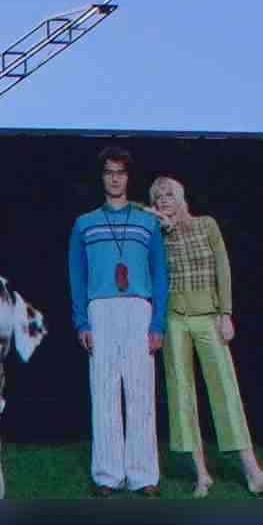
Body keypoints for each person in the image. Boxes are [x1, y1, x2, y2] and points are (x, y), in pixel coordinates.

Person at [148, 174, 263, 494]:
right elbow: (135, 211)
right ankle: (201, 475)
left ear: (183, 198)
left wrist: (226, 313)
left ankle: (254, 474)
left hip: (208, 316)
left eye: (169, 194)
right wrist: (156, 220)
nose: (164, 200)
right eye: (159, 197)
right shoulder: (156, 234)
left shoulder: (207, 225)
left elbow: (223, 269)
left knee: (225, 389)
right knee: (181, 394)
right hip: (174, 320)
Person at [67, 149, 168, 492]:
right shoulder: (85, 223)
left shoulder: (147, 222)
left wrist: (157, 325)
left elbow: (160, 275)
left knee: (141, 391)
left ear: (128, 177)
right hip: (102, 309)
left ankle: (143, 476)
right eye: (109, 172)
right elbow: (76, 277)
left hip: (139, 308)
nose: (115, 178)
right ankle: (108, 475)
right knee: (104, 391)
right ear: (102, 177)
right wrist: (82, 322)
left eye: (121, 173)